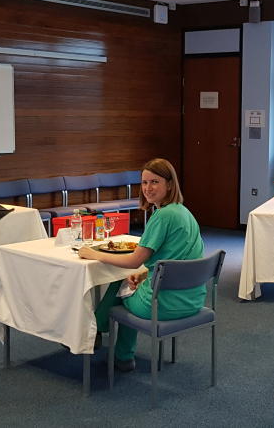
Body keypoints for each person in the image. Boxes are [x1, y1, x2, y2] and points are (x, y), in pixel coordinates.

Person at [79, 158, 204, 372]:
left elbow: (133, 261)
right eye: (144, 182)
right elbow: (178, 260)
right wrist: (145, 275)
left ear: (170, 184)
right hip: (193, 300)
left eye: (154, 182)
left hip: (162, 305)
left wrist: (95, 254)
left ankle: (100, 335)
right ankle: (120, 353)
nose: (147, 188)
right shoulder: (184, 212)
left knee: (120, 285)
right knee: (130, 285)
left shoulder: (162, 217)